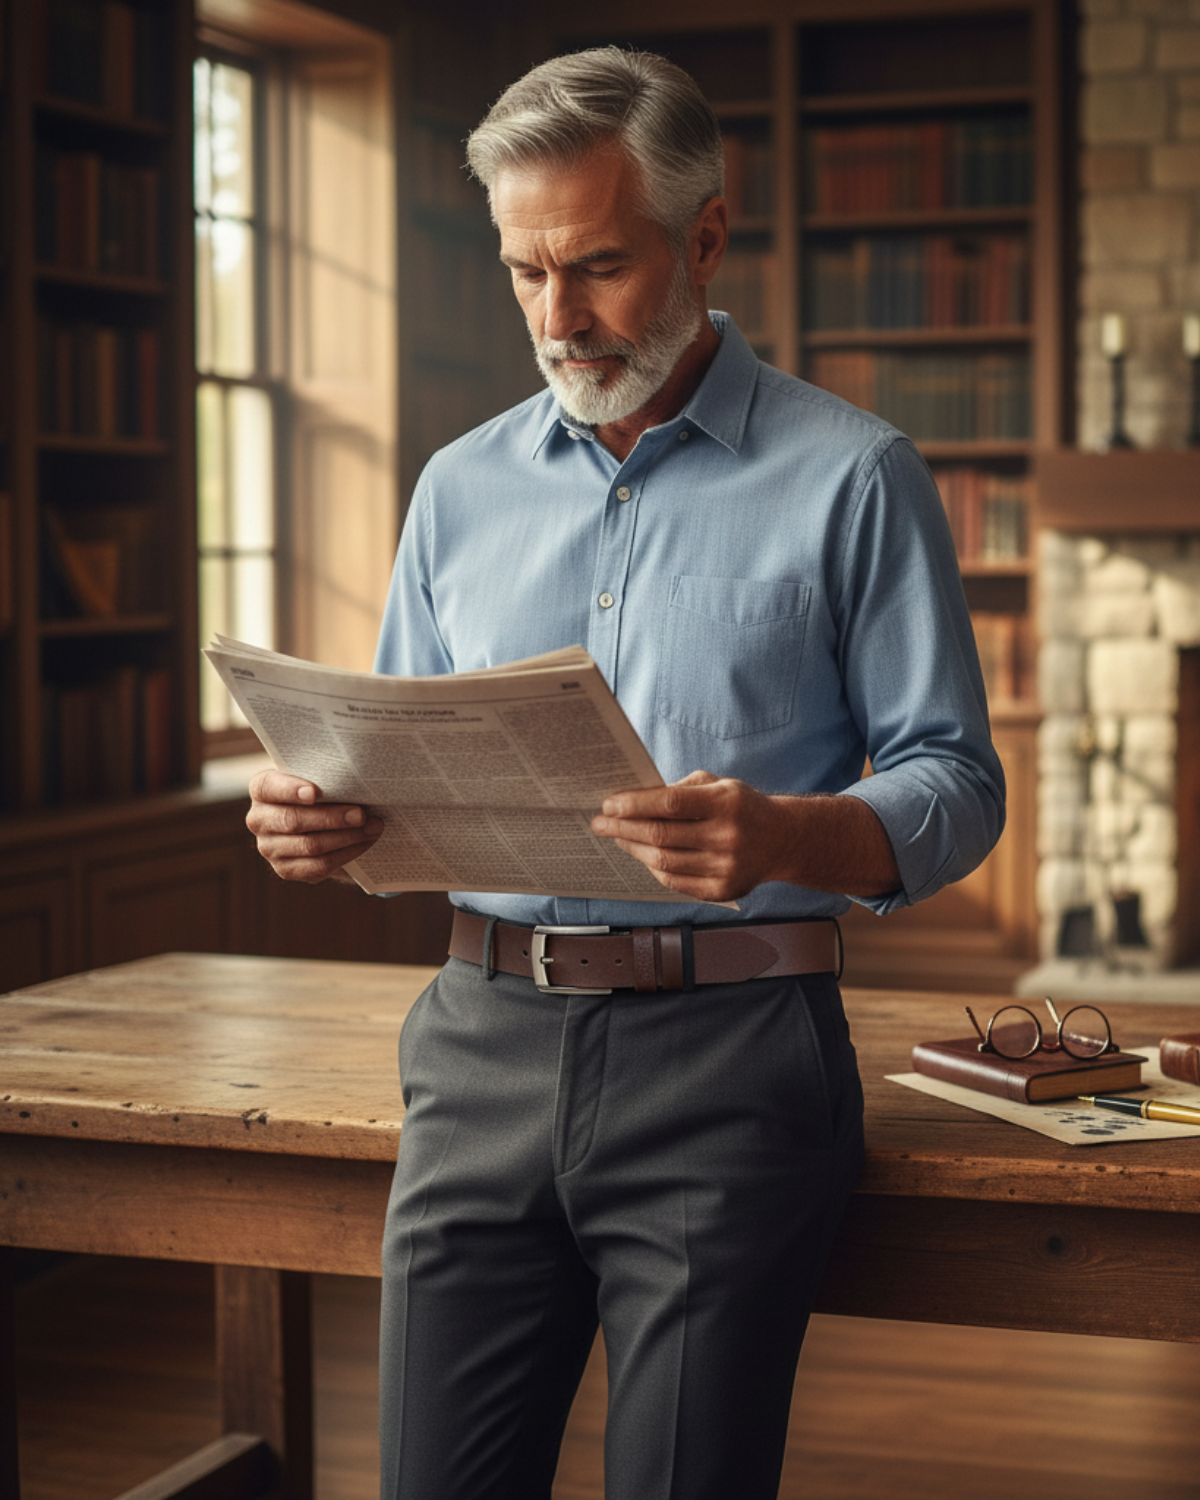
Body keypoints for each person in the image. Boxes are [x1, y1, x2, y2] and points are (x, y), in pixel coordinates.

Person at [247, 47, 1005, 1500]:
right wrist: (326, 817)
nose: (556, 316)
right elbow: (395, 750)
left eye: (595, 266)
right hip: (476, 1045)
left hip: (734, 1060)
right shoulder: (455, 489)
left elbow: (957, 781)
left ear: (705, 235)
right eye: (525, 271)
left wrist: (796, 831)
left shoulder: (857, 475)